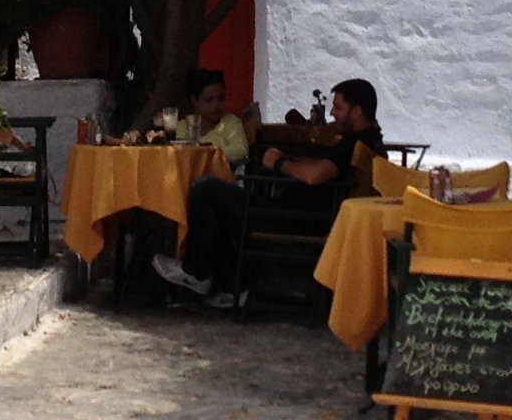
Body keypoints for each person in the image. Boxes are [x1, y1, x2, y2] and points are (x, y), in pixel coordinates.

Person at [157, 78, 379, 309]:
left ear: (357, 111)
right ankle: (232, 287)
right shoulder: (369, 141)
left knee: (207, 187)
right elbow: (327, 166)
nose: (332, 112)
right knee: (219, 205)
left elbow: (316, 175)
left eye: (339, 107)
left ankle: (197, 272)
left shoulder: (355, 145)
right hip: (297, 214)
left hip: (294, 220)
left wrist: (280, 163)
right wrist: (294, 161)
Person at [168, 67, 250, 169]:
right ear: (195, 100)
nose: (216, 105)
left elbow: (240, 150)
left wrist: (205, 157)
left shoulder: (230, 123)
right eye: (209, 100)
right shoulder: (184, 126)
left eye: (221, 99)